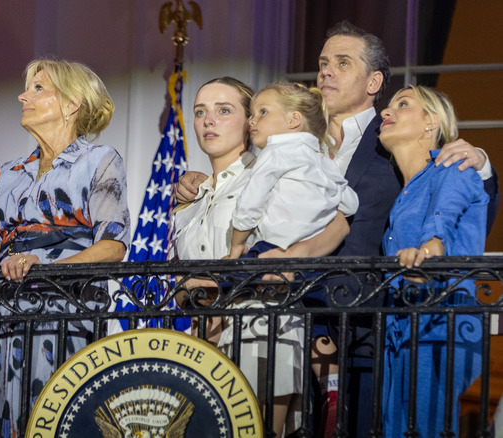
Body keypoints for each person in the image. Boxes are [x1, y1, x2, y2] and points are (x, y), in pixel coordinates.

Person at [177, 21, 499, 437]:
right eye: (323, 62)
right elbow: (241, 185)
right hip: (287, 326)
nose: (326, 71)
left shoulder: (393, 141)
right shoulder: (291, 137)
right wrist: (197, 183)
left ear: (373, 81)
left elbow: (458, 199)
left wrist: (480, 159)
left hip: (365, 327)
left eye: (342, 63)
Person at [0, 58, 130, 437]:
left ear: (72, 103)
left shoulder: (100, 160)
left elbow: (112, 248)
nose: (23, 96)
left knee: (58, 421)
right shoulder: (8, 172)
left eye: (38, 89)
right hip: (7, 320)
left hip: (66, 320)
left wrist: (43, 267)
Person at [172, 77, 350, 437]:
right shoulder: (188, 203)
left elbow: (338, 222)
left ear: (250, 120)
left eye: (224, 111)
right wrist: (190, 290)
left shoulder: (276, 167)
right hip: (203, 350)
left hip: (261, 327)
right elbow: (182, 283)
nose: (209, 120)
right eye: (200, 111)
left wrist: (286, 261)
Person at [378, 85, 486, 436]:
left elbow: (444, 219)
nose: (386, 112)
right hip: (402, 330)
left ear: (432, 123)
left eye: (403, 104)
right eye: (389, 106)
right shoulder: (405, 192)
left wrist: (429, 252)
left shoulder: (451, 167)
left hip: (440, 328)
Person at [227, 82, 358, 259]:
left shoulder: (275, 150)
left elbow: (251, 202)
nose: (251, 120)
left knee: (222, 282)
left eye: (263, 112)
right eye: (251, 114)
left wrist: (237, 244)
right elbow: (351, 204)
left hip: (271, 248)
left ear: (293, 120)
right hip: (312, 257)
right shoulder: (324, 162)